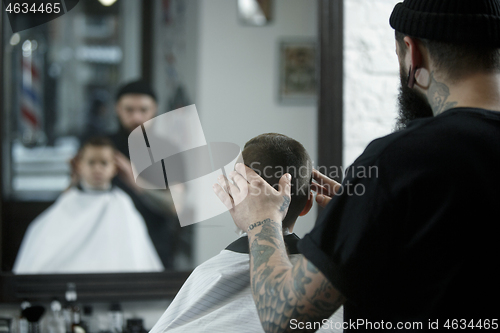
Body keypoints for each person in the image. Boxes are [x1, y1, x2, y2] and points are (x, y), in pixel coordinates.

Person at [213, 1, 500, 332]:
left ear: (412, 53)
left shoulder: (401, 161)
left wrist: (261, 219)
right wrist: (365, 223)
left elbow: (284, 316)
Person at [151, 133, 343, 333]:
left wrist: (261, 218)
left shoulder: (206, 277)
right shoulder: (340, 285)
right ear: (308, 205)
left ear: (234, 199)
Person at [13, 137, 163, 273]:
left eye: (104, 163)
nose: (97, 169)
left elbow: (134, 254)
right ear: (79, 166)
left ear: (115, 168)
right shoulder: (68, 201)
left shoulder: (122, 203)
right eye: (91, 162)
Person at [108, 80, 187, 269]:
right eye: (129, 110)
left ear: (155, 109)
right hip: (107, 241)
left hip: (153, 242)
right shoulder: (103, 148)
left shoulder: (168, 150)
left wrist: (136, 182)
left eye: (143, 110)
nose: (136, 117)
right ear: (117, 109)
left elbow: (175, 206)